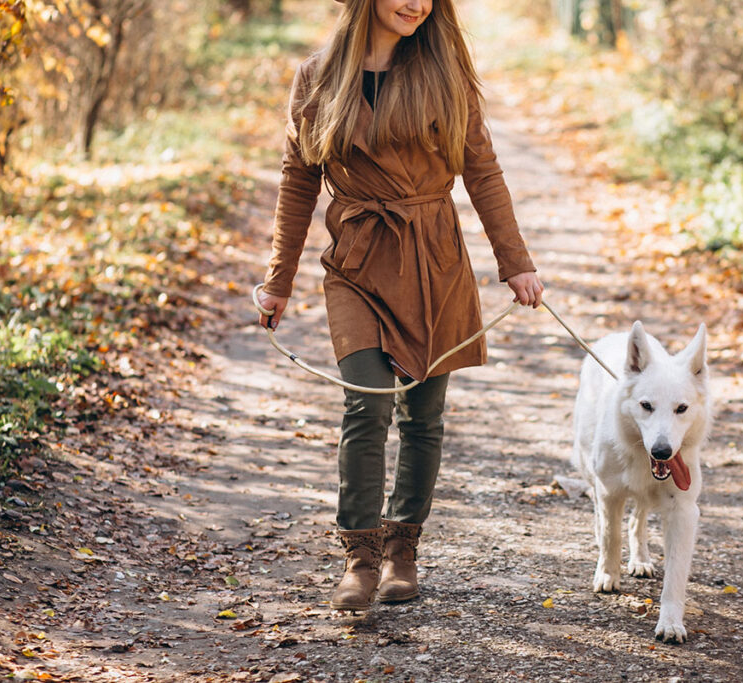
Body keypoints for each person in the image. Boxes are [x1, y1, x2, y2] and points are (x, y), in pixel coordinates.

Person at [255, 0, 544, 612]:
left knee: (423, 416)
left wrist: (515, 262)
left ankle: (401, 549)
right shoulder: (317, 76)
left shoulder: (445, 72)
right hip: (357, 260)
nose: (417, 4)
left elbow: (482, 170)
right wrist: (278, 279)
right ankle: (359, 556)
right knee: (365, 406)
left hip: (433, 256)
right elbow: (298, 177)